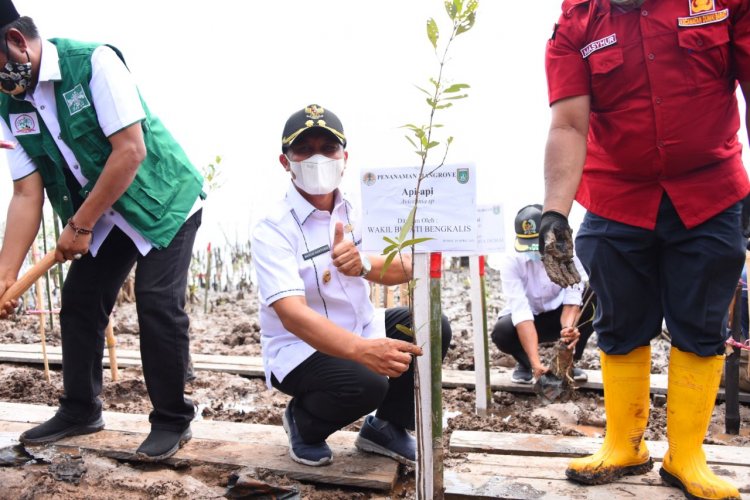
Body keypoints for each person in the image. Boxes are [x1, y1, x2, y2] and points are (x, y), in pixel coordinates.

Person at [541, 1, 750, 498]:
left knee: (701, 322)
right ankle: (624, 444)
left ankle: (686, 456)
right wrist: (554, 211)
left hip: (710, 192)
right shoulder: (576, 22)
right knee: (620, 320)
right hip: (617, 197)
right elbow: (569, 124)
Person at [0, 0, 204, 461]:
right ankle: (80, 410)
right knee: (79, 302)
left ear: (15, 42)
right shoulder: (9, 104)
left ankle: (172, 419)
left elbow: (129, 151)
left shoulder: (93, 63)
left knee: (157, 302)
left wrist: (79, 224)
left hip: (163, 199)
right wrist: (5, 276)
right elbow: (26, 194)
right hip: (104, 211)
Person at [251, 104, 452, 467]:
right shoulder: (273, 227)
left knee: (429, 326)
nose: (317, 158)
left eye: (328, 149)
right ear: (285, 161)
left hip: (361, 326)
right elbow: (293, 316)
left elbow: (406, 265)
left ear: (344, 157)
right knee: (367, 382)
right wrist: (361, 350)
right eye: (304, 149)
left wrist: (363, 264)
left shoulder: (360, 211)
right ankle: (304, 423)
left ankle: (387, 427)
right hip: (301, 349)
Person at [491, 204, 594, 384]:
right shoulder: (510, 262)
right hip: (530, 320)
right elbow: (521, 313)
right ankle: (526, 365)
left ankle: (568, 362)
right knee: (502, 332)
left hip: (559, 316)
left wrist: (567, 330)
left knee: (593, 300)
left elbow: (572, 297)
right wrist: (536, 363)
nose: (533, 251)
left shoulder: (568, 254)